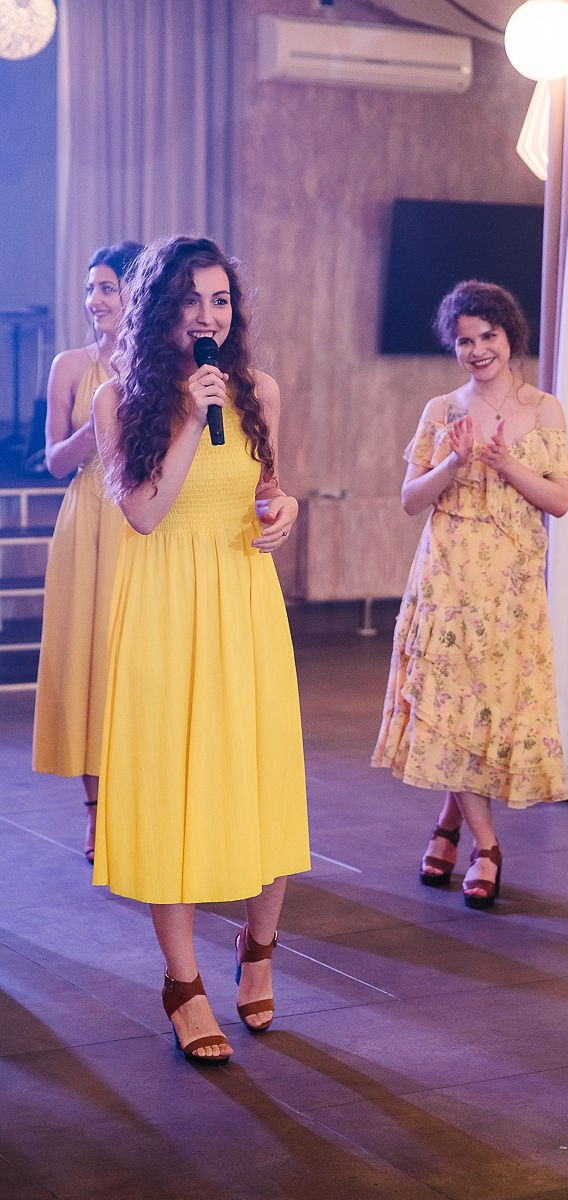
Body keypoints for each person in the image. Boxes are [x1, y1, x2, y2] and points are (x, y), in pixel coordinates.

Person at [92, 235, 309, 1061]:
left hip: (243, 599)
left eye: (220, 301)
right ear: (161, 310)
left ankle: (260, 949)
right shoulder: (121, 398)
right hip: (163, 606)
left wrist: (285, 511)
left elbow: (267, 490)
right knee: (171, 786)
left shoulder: (260, 391)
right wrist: (189, 413)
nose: (208, 316)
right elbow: (145, 513)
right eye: (191, 301)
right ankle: (183, 984)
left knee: (261, 774)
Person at [372, 280, 568, 909]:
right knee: (448, 702)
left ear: (510, 335)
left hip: (512, 581)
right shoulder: (442, 409)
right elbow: (411, 500)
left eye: (488, 335)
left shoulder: (544, 408)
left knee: (490, 706)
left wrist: (507, 463)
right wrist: (454, 462)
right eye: (465, 340)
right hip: (448, 577)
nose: (478, 349)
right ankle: (487, 847)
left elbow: (560, 501)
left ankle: (448, 823)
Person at [33, 240, 143, 863]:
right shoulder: (70, 366)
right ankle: (98, 811)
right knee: (89, 660)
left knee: (137, 660)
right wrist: (99, 424)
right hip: (86, 520)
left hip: (143, 520)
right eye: (90, 289)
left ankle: (144, 802)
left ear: (136, 294)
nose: (94, 301)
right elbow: (53, 461)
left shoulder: (163, 366)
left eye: (107, 288)